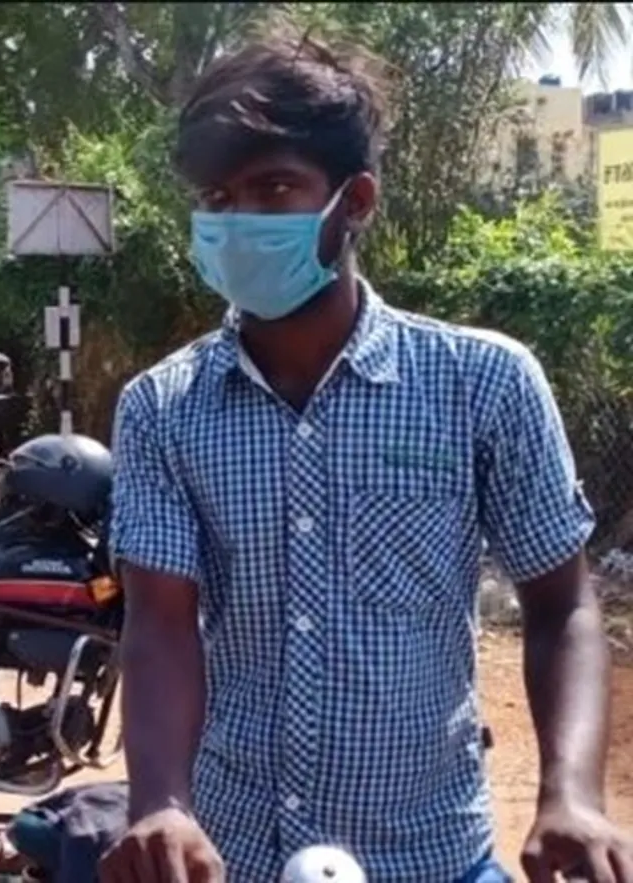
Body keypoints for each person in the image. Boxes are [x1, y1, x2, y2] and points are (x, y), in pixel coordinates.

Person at [99, 30, 633, 883]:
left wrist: (571, 792)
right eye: (218, 194)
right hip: (231, 858)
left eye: (275, 187)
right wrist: (161, 800)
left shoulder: (481, 383)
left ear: (356, 202)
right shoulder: (162, 408)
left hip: (433, 856)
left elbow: (563, 605)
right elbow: (160, 626)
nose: (241, 219)